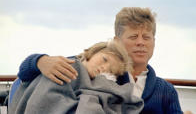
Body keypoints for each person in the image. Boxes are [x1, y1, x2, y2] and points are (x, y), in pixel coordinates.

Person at [14, 7, 184, 113]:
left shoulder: (166, 91)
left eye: (147, 37)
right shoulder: (89, 68)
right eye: (133, 36)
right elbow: (24, 73)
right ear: (116, 42)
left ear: (154, 42)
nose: (141, 42)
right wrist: (40, 61)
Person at [9, 40, 144, 114]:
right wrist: (39, 61)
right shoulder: (66, 65)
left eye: (111, 71)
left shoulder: (102, 86)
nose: (104, 68)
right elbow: (24, 75)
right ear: (92, 52)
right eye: (104, 59)